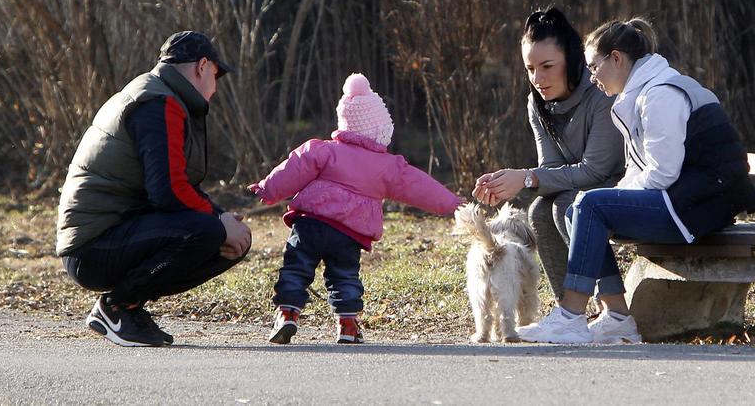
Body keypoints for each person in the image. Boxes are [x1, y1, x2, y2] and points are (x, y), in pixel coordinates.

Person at [519, 17, 755, 344]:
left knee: (590, 205)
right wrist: (614, 198)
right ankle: (617, 317)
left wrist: (608, 202)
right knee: (578, 208)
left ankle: (570, 317)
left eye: (594, 67)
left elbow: (663, 173)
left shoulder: (660, 94)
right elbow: (640, 169)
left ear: (617, 59)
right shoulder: (639, 94)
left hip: (699, 207)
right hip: (687, 200)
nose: (592, 76)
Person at [56, 31, 252, 347]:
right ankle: (118, 307)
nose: (215, 88)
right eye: (216, 76)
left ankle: (129, 306)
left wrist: (223, 219)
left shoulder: (158, 94)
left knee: (229, 237)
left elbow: (175, 186)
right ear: (202, 66)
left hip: (112, 232)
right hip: (91, 247)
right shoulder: (158, 103)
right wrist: (218, 221)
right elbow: (168, 191)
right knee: (208, 232)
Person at [250, 73, 462, 345]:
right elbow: (419, 186)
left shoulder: (324, 150)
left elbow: (294, 167)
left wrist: (267, 189)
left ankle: (287, 314)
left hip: (310, 224)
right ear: (381, 129)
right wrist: (452, 203)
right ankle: (347, 325)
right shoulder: (389, 166)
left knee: (296, 267)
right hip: (348, 233)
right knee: (344, 276)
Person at [472, 8, 624, 307]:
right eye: (530, 68)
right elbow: (552, 168)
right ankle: (567, 308)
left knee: (567, 205)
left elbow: (596, 170)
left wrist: (526, 178)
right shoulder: (536, 102)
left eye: (547, 66)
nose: (537, 78)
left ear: (572, 58)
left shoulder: (601, 93)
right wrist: (509, 182)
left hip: (624, 186)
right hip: (584, 188)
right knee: (540, 210)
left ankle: (608, 308)